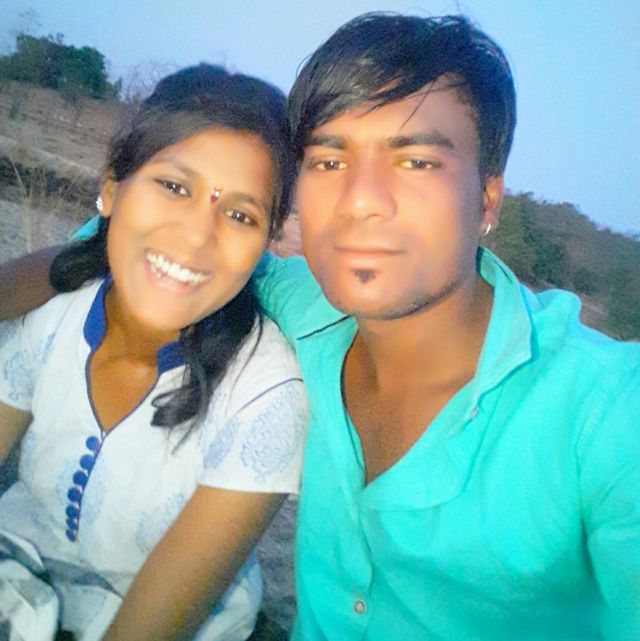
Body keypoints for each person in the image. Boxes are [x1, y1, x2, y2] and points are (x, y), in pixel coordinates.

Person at [2, 12, 639, 641]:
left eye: (417, 161)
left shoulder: (605, 417)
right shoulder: (299, 302)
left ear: (488, 199)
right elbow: (137, 249)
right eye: (329, 162)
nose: (360, 198)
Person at [0, 63, 307, 641]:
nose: (196, 235)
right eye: (173, 187)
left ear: (266, 246)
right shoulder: (51, 315)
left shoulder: (263, 397)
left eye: (239, 215)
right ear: (112, 187)